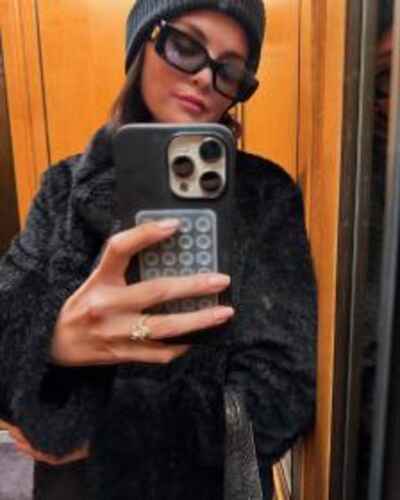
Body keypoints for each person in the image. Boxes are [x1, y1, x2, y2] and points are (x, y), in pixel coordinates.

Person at [0, 1, 317, 499]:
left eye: (230, 71)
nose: (205, 79)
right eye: (186, 46)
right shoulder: (63, 186)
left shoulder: (265, 196)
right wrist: (54, 342)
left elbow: (282, 390)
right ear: (141, 46)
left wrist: (108, 437)